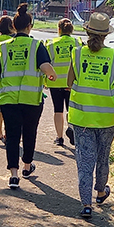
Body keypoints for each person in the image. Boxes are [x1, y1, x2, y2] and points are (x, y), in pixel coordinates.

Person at [67, 12, 114, 219]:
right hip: (106, 120)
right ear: (105, 35)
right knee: (102, 158)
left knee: (85, 162)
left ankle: (86, 204)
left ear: (87, 31)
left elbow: (69, 83)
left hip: (81, 119)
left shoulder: (77, 53)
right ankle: (101, 192)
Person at [0, 3, 56, 190]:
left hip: (9, 100)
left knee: (12, 136)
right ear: (30, 27)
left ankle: (13, 175)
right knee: (29, 133)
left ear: (13, 26)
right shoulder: (37, 46)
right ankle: (27, 166)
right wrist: (52, 75)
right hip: (31, 100)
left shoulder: (2, 48)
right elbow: (47, 69)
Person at [44, 18, 82, 146]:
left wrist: (45, 80)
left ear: (59, 29)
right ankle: (72, 132)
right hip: (71, 83)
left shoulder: (51, 43)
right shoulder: (77, 42)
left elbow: (47, 63)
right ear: (71, 29)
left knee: (58, 110)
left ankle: (59, 137)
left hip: (55, 82)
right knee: (71, 110)